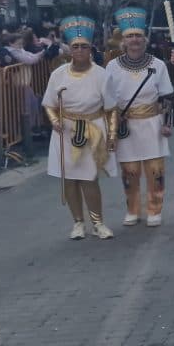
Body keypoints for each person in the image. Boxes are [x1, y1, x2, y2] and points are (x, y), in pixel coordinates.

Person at [41, 16, 118, 240]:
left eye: (84, 46)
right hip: (65, 131)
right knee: (69, 178)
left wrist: (112, 134)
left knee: (89, 177)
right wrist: (54, 120)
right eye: (76, 47)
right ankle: (77, 222)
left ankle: (98, 222)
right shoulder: (58, 74)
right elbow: (49, 104)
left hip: (93, 128)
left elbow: (111, 108)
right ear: (70, 49)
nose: (80, 50)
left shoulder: (102, 75)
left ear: (90, 48)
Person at [105, 7, 174, 228]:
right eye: (130, 36)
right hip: (126, 126)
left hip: (152, 123)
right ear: (123, 41)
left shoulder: (158, 65)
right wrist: (112, 125)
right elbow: (107, 99)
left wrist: (167, 124)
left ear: (144, 39)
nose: (134, 40)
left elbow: (167, 96)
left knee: (155, 171)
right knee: (130, 171)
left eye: (138, 36)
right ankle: (132, 209)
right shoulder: (112, 67)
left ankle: (154, 210)